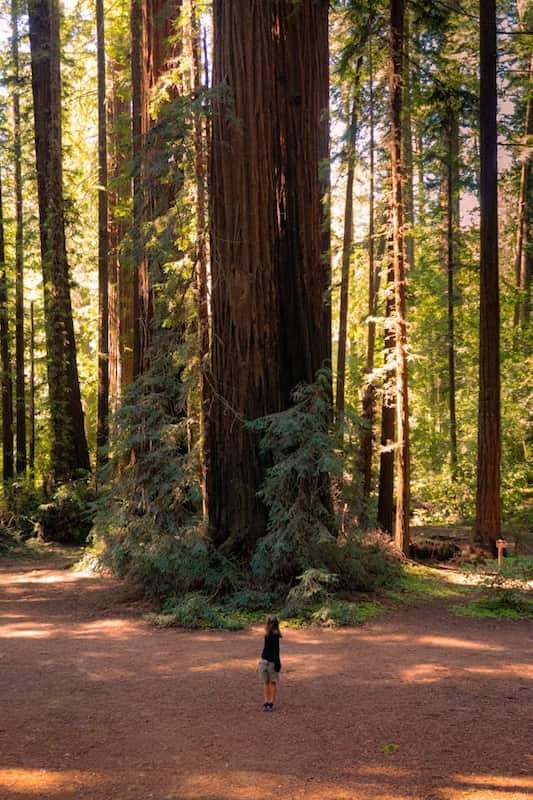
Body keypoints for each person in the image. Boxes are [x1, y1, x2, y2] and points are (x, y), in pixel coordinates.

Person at [258, 615, 282, 711]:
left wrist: (277, 663)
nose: (270, 624)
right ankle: (266, 701)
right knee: (266, 682)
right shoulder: (267, 634)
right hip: (264, 660)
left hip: (271, 662)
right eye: (270, 622)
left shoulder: (275, 635)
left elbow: (276, 650)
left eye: (272, 623)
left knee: (272, 682)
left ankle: (271, 702)